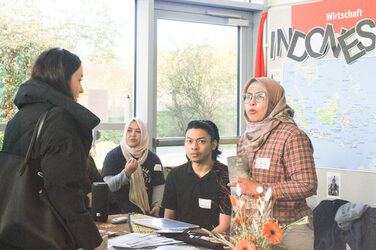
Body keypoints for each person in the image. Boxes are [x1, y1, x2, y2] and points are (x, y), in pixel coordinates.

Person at [1, 48, 102, 249]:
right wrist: (93, 242)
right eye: (79, 80)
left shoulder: (18, 118)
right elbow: (64, 191)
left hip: (12, 231)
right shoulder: (59, 120)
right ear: (62, 79)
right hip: (46, 237)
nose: (81, 89)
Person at [232, 77, 318, 249]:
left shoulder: (292, 136)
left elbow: (308, 185)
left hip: (289, 230)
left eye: (260, 96)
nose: (252, 102)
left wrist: (260, 189)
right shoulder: (245, 138)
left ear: (274, 101)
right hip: (254, 229)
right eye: (247, 96)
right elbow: (244, 184)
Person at [162, 120, 231, 232]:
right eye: (189, 141)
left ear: (213, 144)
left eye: (201, 141)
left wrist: (202, 244)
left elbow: (225, 226)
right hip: (179, 241)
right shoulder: (175, 175)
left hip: (212, 242)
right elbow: (168, 218)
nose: (194, 147)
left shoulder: (226, 177)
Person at [101, 118, 165, 216]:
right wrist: (126, 173)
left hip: (146, 214)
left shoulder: (153, 159)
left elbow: (159, 185)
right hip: (118, 214)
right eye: (129, 130)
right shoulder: (113, 156)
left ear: (144, 134)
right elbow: (107, 188)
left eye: (138, 131)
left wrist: (157, 206)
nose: (133, 134)